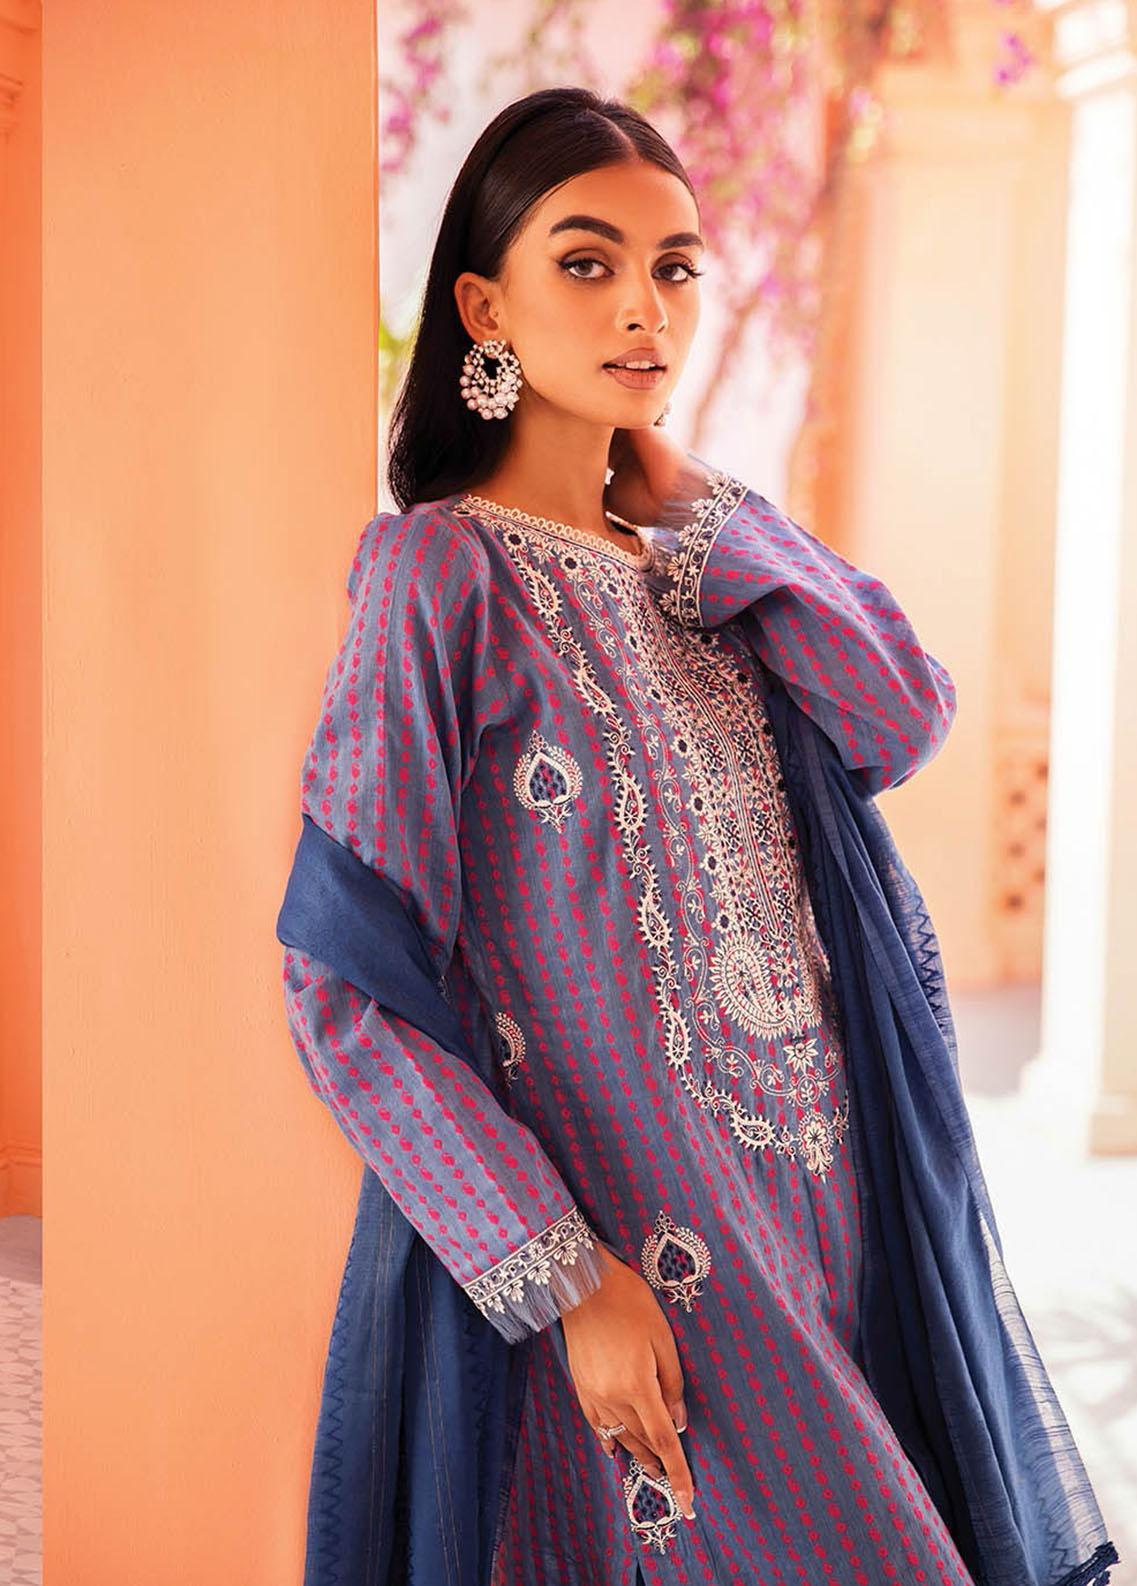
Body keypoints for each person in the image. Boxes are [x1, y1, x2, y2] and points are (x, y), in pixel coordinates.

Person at [278, 85, 1119, 1586]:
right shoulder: (438, 581)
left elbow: (901, 716)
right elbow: (347, 984)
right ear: (483, 304)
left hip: (839, 1216)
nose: (642, 306)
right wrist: (564, 1278)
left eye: (674, 268)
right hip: (640, 1255)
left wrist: (711, 510)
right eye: (586, 262)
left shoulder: (708, 580)